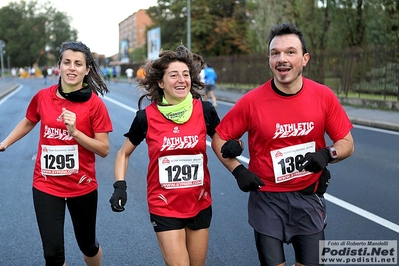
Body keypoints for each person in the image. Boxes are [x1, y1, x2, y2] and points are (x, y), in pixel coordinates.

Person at [211, 23, 354, 266]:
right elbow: (219, 139)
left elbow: (347, 142)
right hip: (266, 198)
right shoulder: (251, 102)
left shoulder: (323, 96)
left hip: (308, 196)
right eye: (275, 53)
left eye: (290, 52)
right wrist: (239, 170)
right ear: (269, 60)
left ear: (305, 58)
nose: (282, 59)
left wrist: (327, 154)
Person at [109, 45, 236, 266]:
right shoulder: (145, 118)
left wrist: (237, 152)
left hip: (199, 202)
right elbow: (123, 153)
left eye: (185, 74)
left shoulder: (205, 110)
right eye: (173, 75)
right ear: (161, 82)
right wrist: (120, 185)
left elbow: (223, 142)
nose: (181, 80)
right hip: (164, 205)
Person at [0, 41, 113, 266]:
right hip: (46, 183)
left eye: (78, 64)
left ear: (87, 69)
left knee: (87, 246)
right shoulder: (43, 96)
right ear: (59, 66)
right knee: (52, 254)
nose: (72, 68)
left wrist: (76, 133)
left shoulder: (95, 105)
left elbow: (104, 149)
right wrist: (5, 143)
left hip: (81, 184)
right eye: (67, 62)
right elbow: (30, 120)